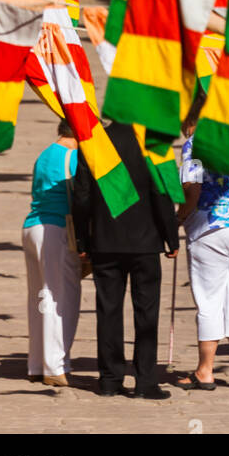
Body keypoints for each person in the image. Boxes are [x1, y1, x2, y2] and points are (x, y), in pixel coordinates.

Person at [72, 120, 179, 399]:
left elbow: (81, 195)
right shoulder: (152, 144)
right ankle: (145, 381)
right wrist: (171, 236)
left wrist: (82, 239)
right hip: (145, 243)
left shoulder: (95, 141)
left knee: (108, 311)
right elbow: (161, 193)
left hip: (105, 243)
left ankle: (109, 380)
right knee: (147, 313)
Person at [175, 107, 229, 390]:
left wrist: (178, 219)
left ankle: (205, 370)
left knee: (209, 302)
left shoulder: (195, 143)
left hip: (209, 227)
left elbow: (192, 190)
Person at [22, 119, 83, 388]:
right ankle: (55, 365)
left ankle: (36, 363)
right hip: (57, 228)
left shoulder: (45, 153)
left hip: (32, 225)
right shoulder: (74, 156)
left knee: (38, 298)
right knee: (60, 299)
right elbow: (80, 198)